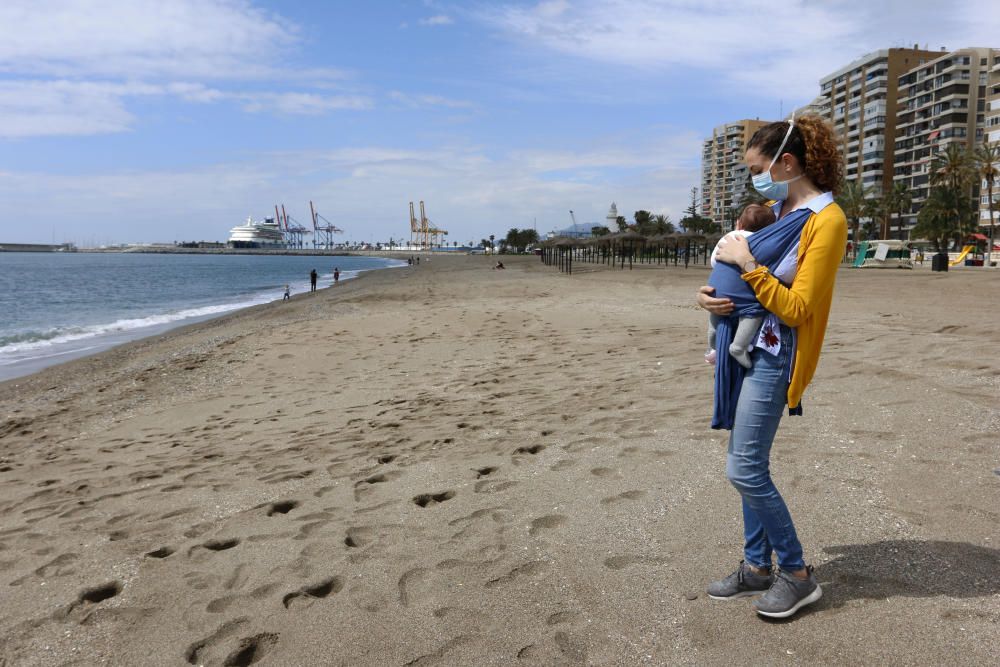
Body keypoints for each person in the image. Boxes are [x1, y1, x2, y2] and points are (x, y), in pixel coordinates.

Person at [696, 115, 847, 619]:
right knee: (750, 464)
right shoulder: (778, 210)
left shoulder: (827, 221)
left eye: (759, 168)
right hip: (745, 346)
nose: (754, 179)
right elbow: (745, 286)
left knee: (743, 468)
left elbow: (799, 308)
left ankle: (798, 574)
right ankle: (757, 567)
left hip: (776, 353)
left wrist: (746, 265)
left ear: (787, 162)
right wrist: (711, 299)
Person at [706, 204, 777, 368]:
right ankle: (738, 346)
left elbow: (713, 261)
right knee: (753, 312)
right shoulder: (762, 242)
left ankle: (713, 345)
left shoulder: (729, 236)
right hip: (741, 293)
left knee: (715, 313)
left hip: (716, 289)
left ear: (739, 224)